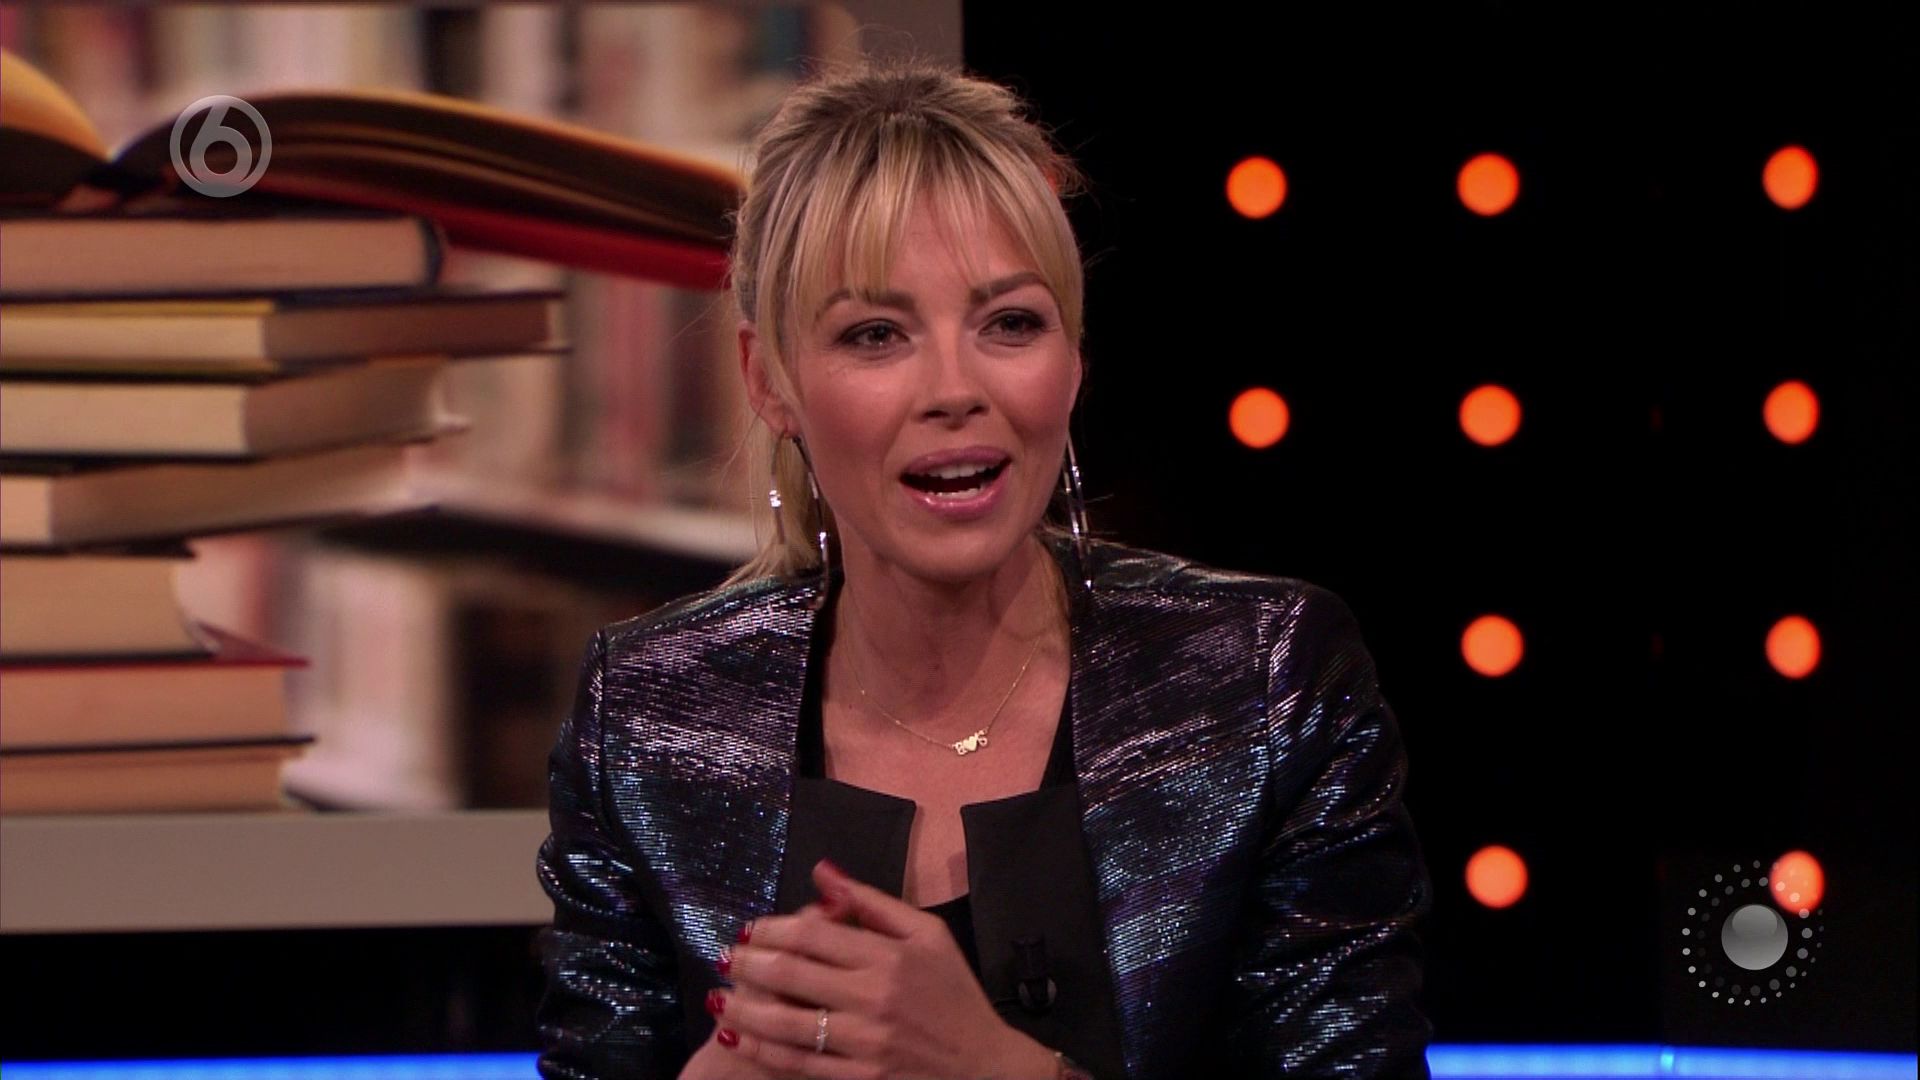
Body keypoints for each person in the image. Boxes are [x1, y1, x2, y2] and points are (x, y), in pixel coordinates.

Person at [536, 58, 1433, 1080]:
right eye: (876, 335)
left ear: (1073, 358)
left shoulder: (1265, 685)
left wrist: (991, 1067)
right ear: (768, 380)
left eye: (1010, 323)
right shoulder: (646, 720)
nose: (955, 389)